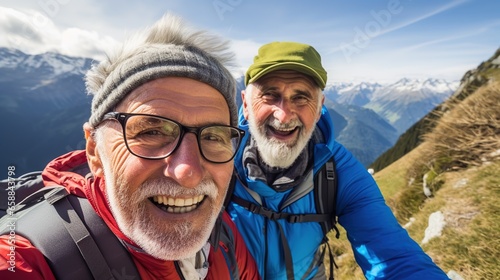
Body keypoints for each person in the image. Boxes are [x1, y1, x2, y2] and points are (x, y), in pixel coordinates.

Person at [0, 14, 260, 280]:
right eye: (152, 131)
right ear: (94, 151)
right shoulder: (26, 260)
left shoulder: (222, 234)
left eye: (213, 137)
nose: (188, 172)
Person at [226, 41, 449, 279]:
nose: (283, 114)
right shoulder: (216, 157)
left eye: (301, 97)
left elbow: (395, 259)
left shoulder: (338, 170)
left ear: (320, 107)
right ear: (246, 104)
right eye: (270, 95)